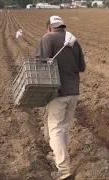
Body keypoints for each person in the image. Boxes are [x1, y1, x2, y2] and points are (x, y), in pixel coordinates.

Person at [36, 15, 85, 180]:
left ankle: (63, 170)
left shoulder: (48, 38)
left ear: (50, 27)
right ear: (62, 26)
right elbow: (82, 67)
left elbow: (41, 63)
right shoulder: (74, 41)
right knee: (63, 128)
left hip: (58, 92)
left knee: (55, 130)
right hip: (74, 92)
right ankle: (58, 159)